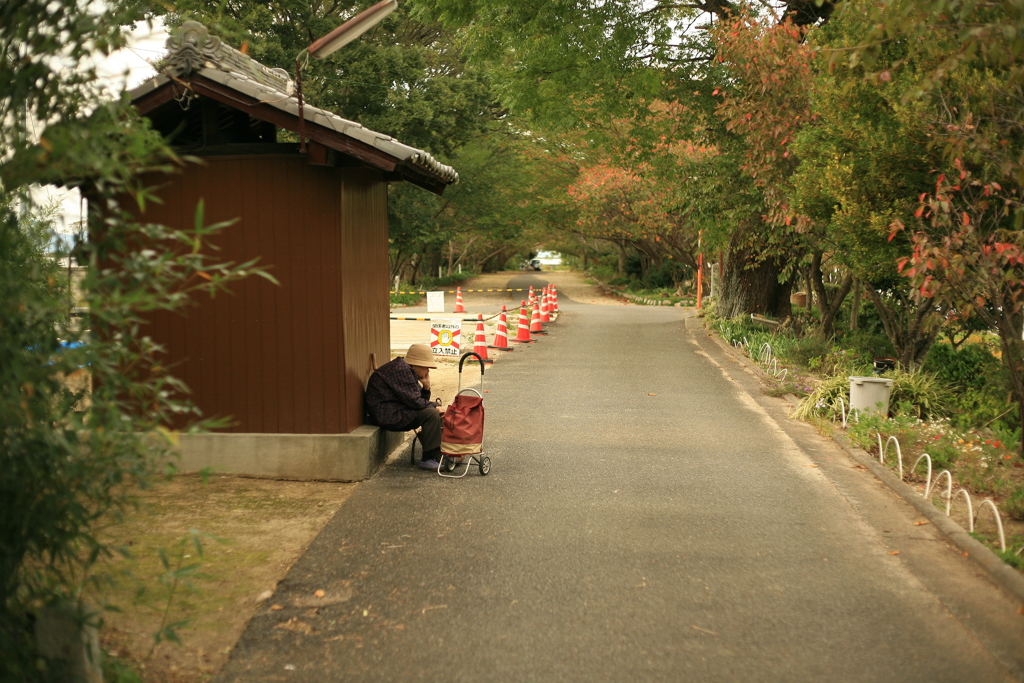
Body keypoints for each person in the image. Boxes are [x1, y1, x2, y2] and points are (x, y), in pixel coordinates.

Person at [364, 343, 443, 470]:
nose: (427, 371)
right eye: (426, 368)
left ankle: (437, 450)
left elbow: (419, 400)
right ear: (417, 364)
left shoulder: (406, 369)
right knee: (431, 413)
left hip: (395, 409)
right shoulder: (402, 371)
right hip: (387, 415)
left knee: (434, 408)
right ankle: (428, 458)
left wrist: (426, 388)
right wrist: (434, 408)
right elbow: (416, 402)